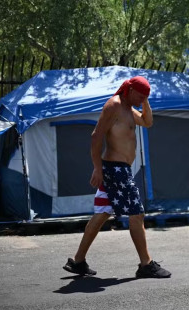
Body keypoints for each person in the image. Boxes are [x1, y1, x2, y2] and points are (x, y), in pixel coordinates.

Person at [63, 76, 171, 278]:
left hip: (120, 169)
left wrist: (145, 98)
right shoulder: (114, 106)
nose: (141, 101)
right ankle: (146, 265)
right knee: (137, 213)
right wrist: (97, 168)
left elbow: (147, 122)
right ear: (129, 90)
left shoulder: (129, 109)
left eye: (144, 98)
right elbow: (96, 136)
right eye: (139, 96)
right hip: (115, 170)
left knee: (102, 213)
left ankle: (77, 261)